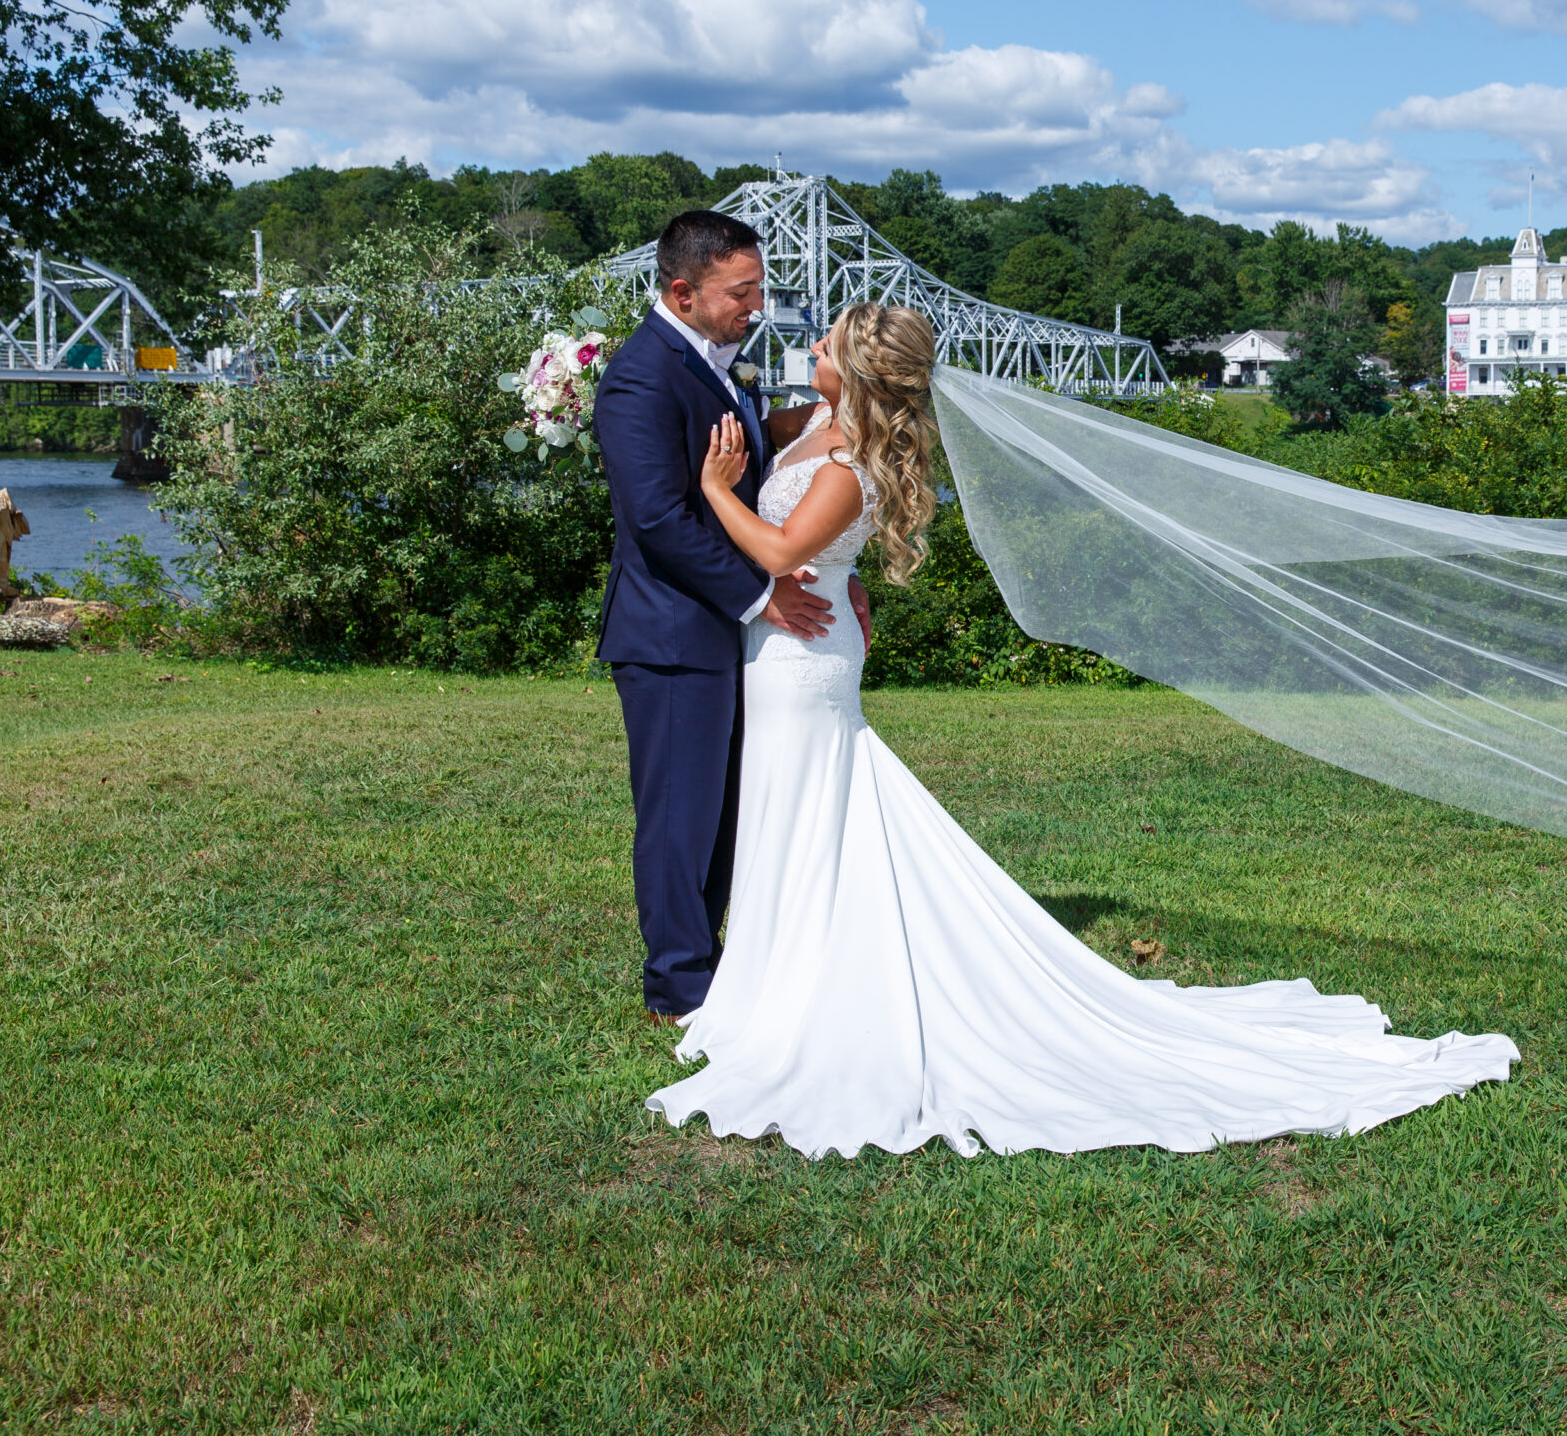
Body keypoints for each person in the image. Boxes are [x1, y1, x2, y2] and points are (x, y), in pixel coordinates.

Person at [647, 302, 1518, 1157]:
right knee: (794, 809)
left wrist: (717, 489)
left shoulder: (848, 463)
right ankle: (779, 971)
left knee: (806, 803)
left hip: (802, 656)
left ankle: (803, 986)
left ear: (858, 369)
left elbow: (774, 548)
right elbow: (748, 430)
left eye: (827, 341)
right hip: (788, 639)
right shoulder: (813, 423)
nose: (811, 344)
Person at [593, 210, 871, 1024]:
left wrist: (836, 559)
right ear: (683, 291)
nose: (756, 306)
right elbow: (657, 520)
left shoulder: (720, 364)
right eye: (740, 292)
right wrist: (763, 595)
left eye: (757, 288)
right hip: (672, 631)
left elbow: (775, 468)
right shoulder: (642, 376)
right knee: (679, 818)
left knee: (721, 815)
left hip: (732, 634)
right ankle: (678, 989)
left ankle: (723, 963)